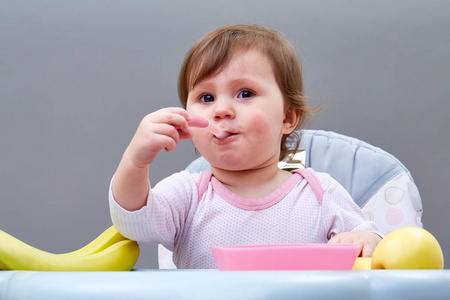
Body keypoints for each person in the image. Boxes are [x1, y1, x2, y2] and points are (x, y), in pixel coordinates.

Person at [109, 24, 382, 269]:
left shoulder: (321, 193)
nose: (222, 109)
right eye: (206, 97)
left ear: (287, 118)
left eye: (245, 93)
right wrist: (135, 161)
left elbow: (371, 244)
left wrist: (364, 239)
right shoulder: (188, 195)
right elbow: (133, 222)